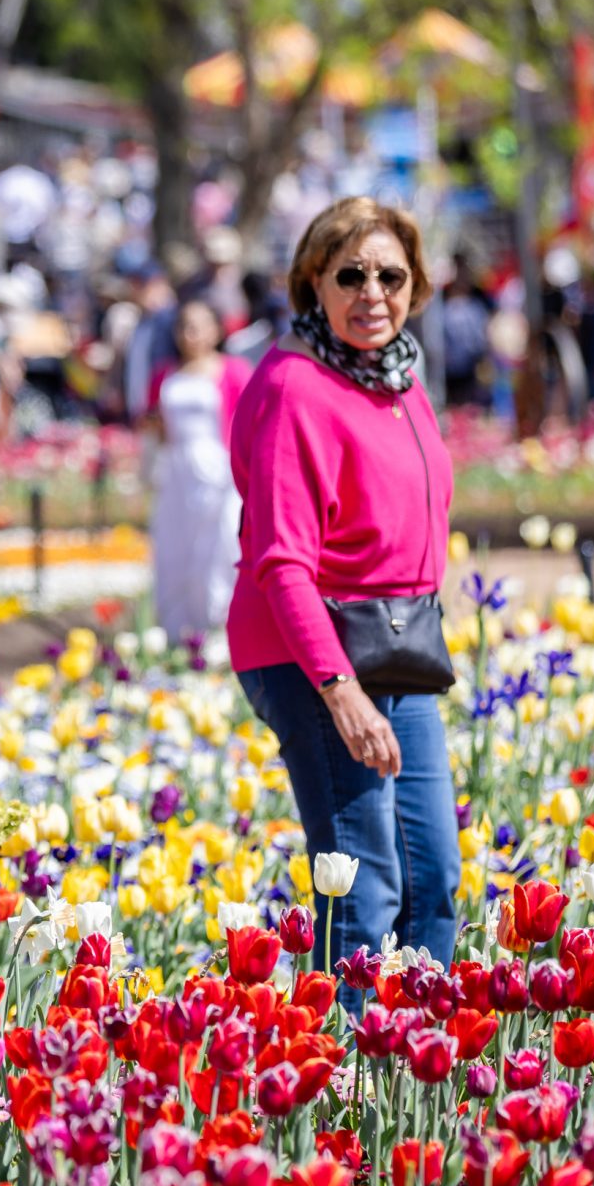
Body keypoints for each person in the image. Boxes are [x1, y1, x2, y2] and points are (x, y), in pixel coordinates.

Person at [228, 198, 458, 968]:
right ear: (312, 281)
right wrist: (339, 688)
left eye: (390, 275)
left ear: (415, 285)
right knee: (364, 892)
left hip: (401, 645)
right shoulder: (298, 386)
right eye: (350, 274)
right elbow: (283, 559)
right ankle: (346, 1075)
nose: (372, 293)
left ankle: (420, 1063)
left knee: (436, 881)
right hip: (314, 653)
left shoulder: (396, 377)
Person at [148, 300, 247, 643]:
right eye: (184, 326)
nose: (190, 334)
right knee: (176, 544)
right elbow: (154, 425)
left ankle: (219, 623)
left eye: (199, 325)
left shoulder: (232, 370)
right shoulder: (165, 373)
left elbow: (245, 423)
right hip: (177, 469)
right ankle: (179, 627)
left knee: (219, 545)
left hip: (219, 468)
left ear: (216, 330)